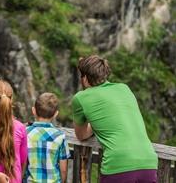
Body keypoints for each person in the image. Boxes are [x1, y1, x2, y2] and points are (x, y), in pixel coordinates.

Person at [72, 55, 158, 183]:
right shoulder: (124, 88)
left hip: (119, 164)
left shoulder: (81, 97)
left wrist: (95, 123)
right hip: (148, 162)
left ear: (84, 78)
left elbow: (81, 134)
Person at [24, 92, 71, 183]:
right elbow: (63, 169)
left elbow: (22, 162)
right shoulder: (60, 137)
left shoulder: (26, 133)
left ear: (33, 111)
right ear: (56, 114)